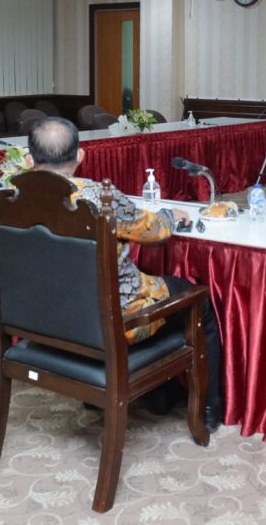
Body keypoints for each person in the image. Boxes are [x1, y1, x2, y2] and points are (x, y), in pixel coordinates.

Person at [26, 117, 224, 431]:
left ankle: (158, 393)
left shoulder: (10, 199)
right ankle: (209, 409)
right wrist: (170, 214)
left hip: (49, 318)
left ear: (28, 159)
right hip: (110, 321)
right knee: (197, 301)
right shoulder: (97, 197)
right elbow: (154, 230)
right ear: (81, 156)